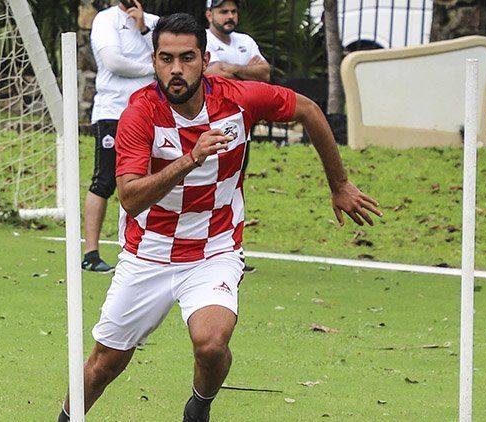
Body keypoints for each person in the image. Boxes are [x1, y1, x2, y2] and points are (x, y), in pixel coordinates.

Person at [57, 13, 382, 422]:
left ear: (204, 59)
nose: (176, 69)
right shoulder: (139, 114)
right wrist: (190, 159)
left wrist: (340, 184)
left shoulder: (238, 99)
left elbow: (310, 110)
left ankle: (199, 409)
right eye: (165, 58)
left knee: (211, 345)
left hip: (214, 250)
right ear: (154, 61)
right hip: (148, 253)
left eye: (187, 58)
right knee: (105, 363)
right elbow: (131, 198)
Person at [82, 0, 159, 273]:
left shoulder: (155, 23)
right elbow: (113, 63)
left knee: (147, 181)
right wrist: (151, 69)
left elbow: (167, 58)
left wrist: (144, 30)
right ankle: (90, 254)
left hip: (150, 113)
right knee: (104, 180)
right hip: (113, 112)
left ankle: (140, 251)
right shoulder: (105, 20)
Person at [204, 0, 271, 273]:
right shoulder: (202, 40)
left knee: (235, 188)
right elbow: (213, 73)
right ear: (209, 15)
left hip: (242, 127)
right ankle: (207, 251)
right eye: (223, 12)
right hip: (213, 125)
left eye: (233, 11)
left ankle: (232, 251)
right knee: (210, 188)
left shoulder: (245, 40)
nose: (230, 16)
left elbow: (265, 74)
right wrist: (243, 71)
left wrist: (232, 69)